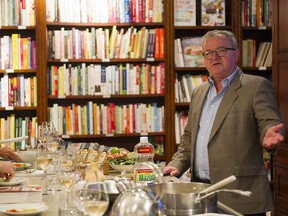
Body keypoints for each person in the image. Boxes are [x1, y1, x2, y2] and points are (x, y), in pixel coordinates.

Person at [163, 30, 285, 215]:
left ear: (236, 53)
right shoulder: (199, 92)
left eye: (221, 50)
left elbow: (269, 122)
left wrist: (270, 134)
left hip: (240, 193)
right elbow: (189, 138)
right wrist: (177, 164)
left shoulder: (256, 86)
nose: (214, 57)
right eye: (208, 53)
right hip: (201, 192)